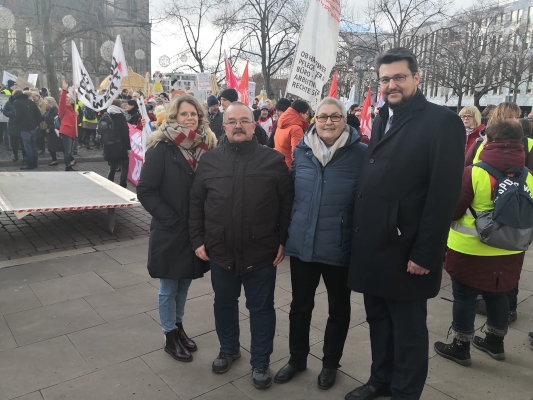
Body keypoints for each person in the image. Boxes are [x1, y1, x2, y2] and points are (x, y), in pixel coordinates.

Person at [345, 47, 465, 400]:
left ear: (417, 77)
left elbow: (443, 196)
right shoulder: (383, 116)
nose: (391, 84)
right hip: (375, 245)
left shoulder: (442, 122)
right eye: (385, 79)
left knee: (409, 332)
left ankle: (404, 393)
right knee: (379, 322)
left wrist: (426, 253)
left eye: (399, 77)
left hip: (408, 249)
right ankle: (380, 380)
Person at [189, 101, 294, 390]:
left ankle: (260, 362)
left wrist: (282, 239)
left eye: (244, 121)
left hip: (261, 253)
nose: (238, 126)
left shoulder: (272, 160)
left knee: (261, 309)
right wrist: (198, 239)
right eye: (232, 121)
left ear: (254, 124)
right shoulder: (210, 161)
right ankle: (229, 349)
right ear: (223, 127)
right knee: (223, 304)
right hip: (220, 252)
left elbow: (287, 204)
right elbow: (196, 202)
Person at [274, 98, 367, 390]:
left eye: (335, 117)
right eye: (323, 116)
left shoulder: (362, 154)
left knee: (338, 309)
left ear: (344, 120)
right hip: (303, 246)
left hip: (340, 246)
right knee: (300, 306)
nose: (329, 122)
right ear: (315, 118)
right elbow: (290, 195)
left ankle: (330, 364)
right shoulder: (302, 151)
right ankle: (297, 359)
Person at [434, 120, 530, 366]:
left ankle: (460, 346)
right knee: (498, 294)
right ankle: (495, 343)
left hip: (469, 251)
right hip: (510, 250)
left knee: (464, 297)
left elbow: (454, 211)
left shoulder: (474, 172)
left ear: (488, 141)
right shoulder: (528, 177)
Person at [137, 95, 217, 363]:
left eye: (194, 114)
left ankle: (179, 326)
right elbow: (146, 191)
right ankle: (169, 335)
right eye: (184, 114)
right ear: (173, 117)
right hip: (170, 229)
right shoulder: (161, 148)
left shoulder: (207, 146)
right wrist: (170, 219)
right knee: (169, 286)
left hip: (196, 230)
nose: (190, 118)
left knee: (184, 283)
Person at [274, 100, 310, 169]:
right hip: (290, 168)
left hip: (279, 164)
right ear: (301, 113)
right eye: (307, 113)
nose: (307, 117)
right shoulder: (296, 129)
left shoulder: (280, 124)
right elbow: (297, 154)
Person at [103, 100, 131, 187]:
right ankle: (123, 185)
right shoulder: (121, 117)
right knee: (124, 165)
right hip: (120, 146)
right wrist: (128, 148)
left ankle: (110, 184)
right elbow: (125, 134)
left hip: (108, 145)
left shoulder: (106, 115)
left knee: (112, 167)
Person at [14, 90, 42, 170]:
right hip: (33, 127)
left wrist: (17, 123)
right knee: (33, 145)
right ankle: (35, 162)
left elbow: (18, 115)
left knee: (27, 146)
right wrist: (36, 124)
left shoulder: (17, 102)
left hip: (24, 127)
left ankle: (30, 163)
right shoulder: (31, 102)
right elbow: (39, 115)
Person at [58, 80, 78, 171]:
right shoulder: (63, 109)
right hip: (66, 132)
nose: (68, 101)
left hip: (72, 132)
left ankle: (69, 164)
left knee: (69, 151)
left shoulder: (72, 110)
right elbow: (61, 101)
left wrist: (77, 115)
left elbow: (75, 122)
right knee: (68, 151)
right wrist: (64, 90)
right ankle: (67, 166)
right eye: (66, 100)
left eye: (69, 100)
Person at [2, 89, 25, 162]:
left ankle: (25, 156)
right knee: (14, 142)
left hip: (23, 124)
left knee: (23, 141)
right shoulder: (9, 102)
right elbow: (5, 111)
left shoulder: (24, 101)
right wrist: (14, 113)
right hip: (13, 124)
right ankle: (15, 155)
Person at [43, 96, 64, 166]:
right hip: (50, 131)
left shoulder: (55, 111)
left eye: (46, 102)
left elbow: (57, 122)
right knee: (51, 147)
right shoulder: (48, 110)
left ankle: (71, 159)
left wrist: (50, 128)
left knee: (61, 146)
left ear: (50, 103)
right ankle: (54, 159)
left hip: (55, 131)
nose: (45, 104)